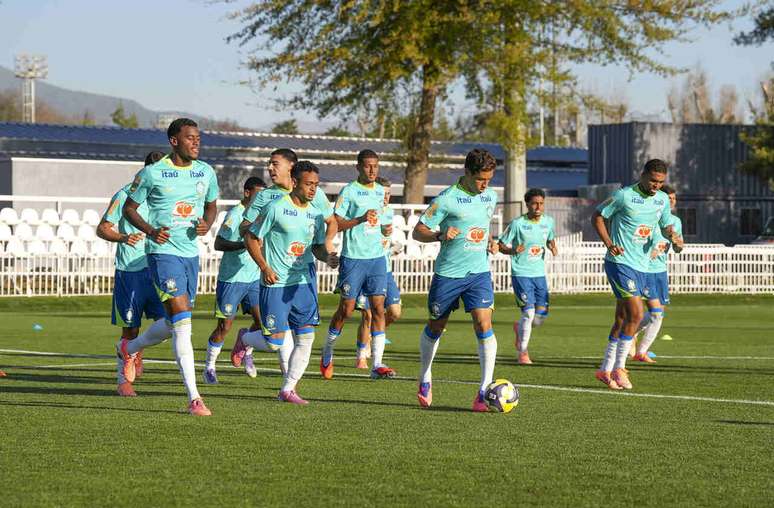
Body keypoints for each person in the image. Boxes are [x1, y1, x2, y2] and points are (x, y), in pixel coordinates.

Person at [119, 118, 220, 416]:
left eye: (198, 138)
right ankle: (194, 398)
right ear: (174, 141)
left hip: (190, 254)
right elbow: (130, 208)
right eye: (190, 138)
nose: (196, 142)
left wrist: (207, 223)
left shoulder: (206, 171)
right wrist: (150, 231)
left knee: (175, 322)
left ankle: (130, 347)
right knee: (184, 326)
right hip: (162, 253)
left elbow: (212, 204)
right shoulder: (152, 173)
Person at [231, 161, 339, 404]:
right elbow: (250, 237)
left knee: (306, 337)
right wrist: (264, 267)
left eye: (316, 185)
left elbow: (317, 248)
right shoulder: (276, 208)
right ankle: (245, 338)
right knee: (274, 342)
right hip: (276, 282)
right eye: (309, 184)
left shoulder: (315, 212)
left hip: (303, 282)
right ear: (295, 182)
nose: (313, 190)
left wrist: (328, 257)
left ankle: (288, 389)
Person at [412, 148, 500, 411]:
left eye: (489, 179)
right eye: (481, 179)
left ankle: (484, 390)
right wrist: (439, 235)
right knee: (436, 326)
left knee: (484, 324)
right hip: (449, 274)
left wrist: (491, 241)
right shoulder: (447, 199)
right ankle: (425, 375)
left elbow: (482, 227)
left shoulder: (490, 197)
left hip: (479, 273)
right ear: (467, 173)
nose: (485, 185)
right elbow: (418, 232)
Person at [591, 159, 677, 390]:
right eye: (652, 181)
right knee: (637, 313)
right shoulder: (623, 195)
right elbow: (598, 216)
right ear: (642, 175)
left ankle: (604, 369)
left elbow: (666, 224)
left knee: (621, 319)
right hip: (619, 262)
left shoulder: (661, 200)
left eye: (660, 182)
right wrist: (609, 243)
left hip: (642, 266)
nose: (656, 186)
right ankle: (620, 368)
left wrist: (673, 236)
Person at [97, 151, 170, 397]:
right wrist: (123, 237)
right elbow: (103, 228)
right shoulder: (125, 194)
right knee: (130, 328)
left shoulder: (169, 196)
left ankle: (134, 349)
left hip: (160, 269)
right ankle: (123, 381)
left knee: (170, 324)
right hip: (131, 273)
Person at [321, 150, 395, 380]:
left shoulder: (381, 191)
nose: (372, 170)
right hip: (354, 259)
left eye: (376, 166)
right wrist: (360, 219)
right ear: (358, 167)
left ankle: (378, 363)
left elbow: (380, 221)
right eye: (367, 166)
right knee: (347, 309)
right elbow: (336, 224)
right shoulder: (349, 191)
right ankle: (327, 352)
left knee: (379, 309)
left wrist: (384, 228)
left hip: (377, 259)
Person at [202, 176, 266, 384]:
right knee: (224, 327)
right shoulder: (235, 214)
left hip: (254, 278)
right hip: (232, 279)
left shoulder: (262, 215)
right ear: (247, 193)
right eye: (258, 194)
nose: (261, 199)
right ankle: (210, 367)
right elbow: (219, 243)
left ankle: (246, 346)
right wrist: (244, 245)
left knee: (263, 322)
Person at [498, 188, 557, 365]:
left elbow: (549, 238)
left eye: (541, 203)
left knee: (540, 317)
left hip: (539, 274)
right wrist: (512, 250)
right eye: (534, 203)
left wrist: (552, 246)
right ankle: (523, 352)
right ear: (528, 204)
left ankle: (520, 328)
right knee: (529, 312)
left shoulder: (548, 222)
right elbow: (501, 245)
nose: (538, 207)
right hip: (521, 273)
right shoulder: (517, 224)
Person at [353, 176, 402, 369]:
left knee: (395, 312)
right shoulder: (368, 214)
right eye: (383, 193)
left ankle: (376, 335)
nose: (386, 197)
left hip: (385, 271)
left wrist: (391, 249)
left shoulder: (388, 213)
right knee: (368, 315)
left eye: (389, 194)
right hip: (366, 270)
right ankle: (361, 355)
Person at [634, 184, 684, 362]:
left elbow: (678, 247)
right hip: (645, 270)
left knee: (658, 313)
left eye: (673, 199)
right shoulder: (650, 216)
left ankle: (641, 351)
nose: (671, 202)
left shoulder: (676, 222)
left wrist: (678, 244)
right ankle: (628, 335)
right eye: (668, 199)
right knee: (655, 312)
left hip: (661, 272)